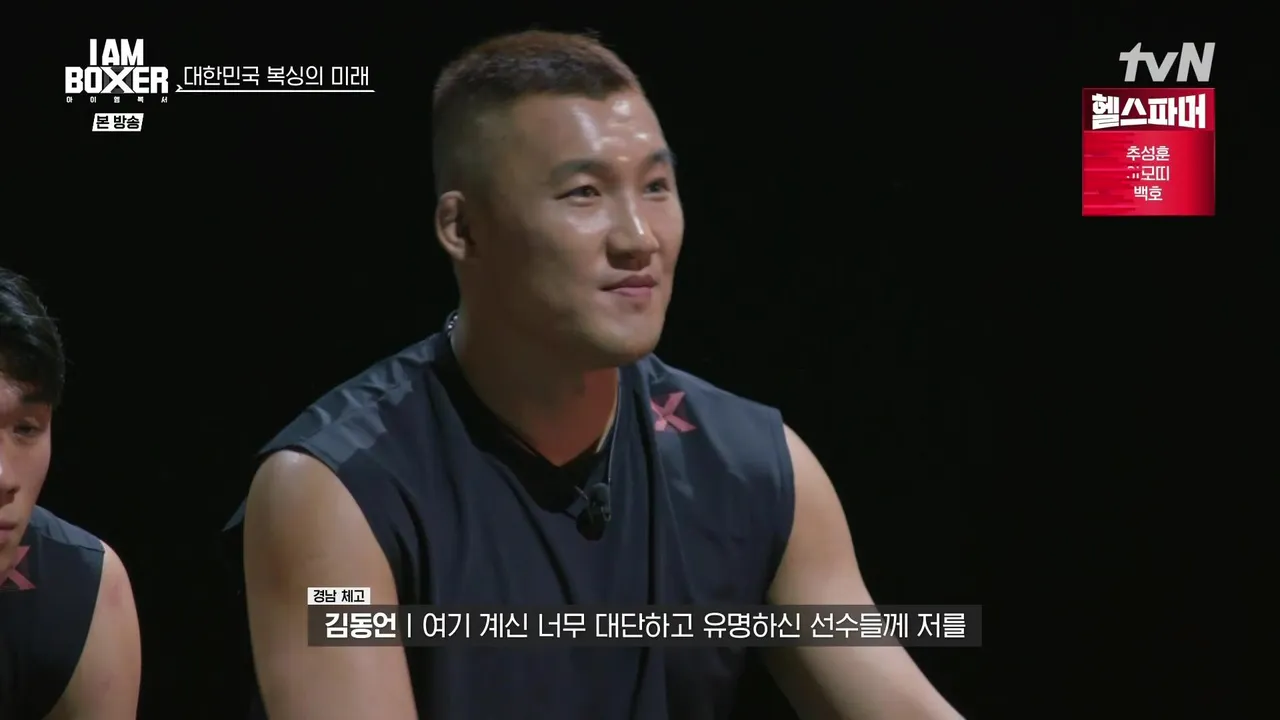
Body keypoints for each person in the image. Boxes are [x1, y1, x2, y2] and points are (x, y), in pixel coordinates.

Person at [224, 30, 964, 720]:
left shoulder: (753, 465)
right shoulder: (339, 488)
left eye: (656, 187)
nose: (638, 238)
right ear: (463, 228)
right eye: (584, 193)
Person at [0, 268, 142, 719]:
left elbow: (332, 641)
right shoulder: (316, 470)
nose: (3, 477)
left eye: (26, 429)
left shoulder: (80, 587)